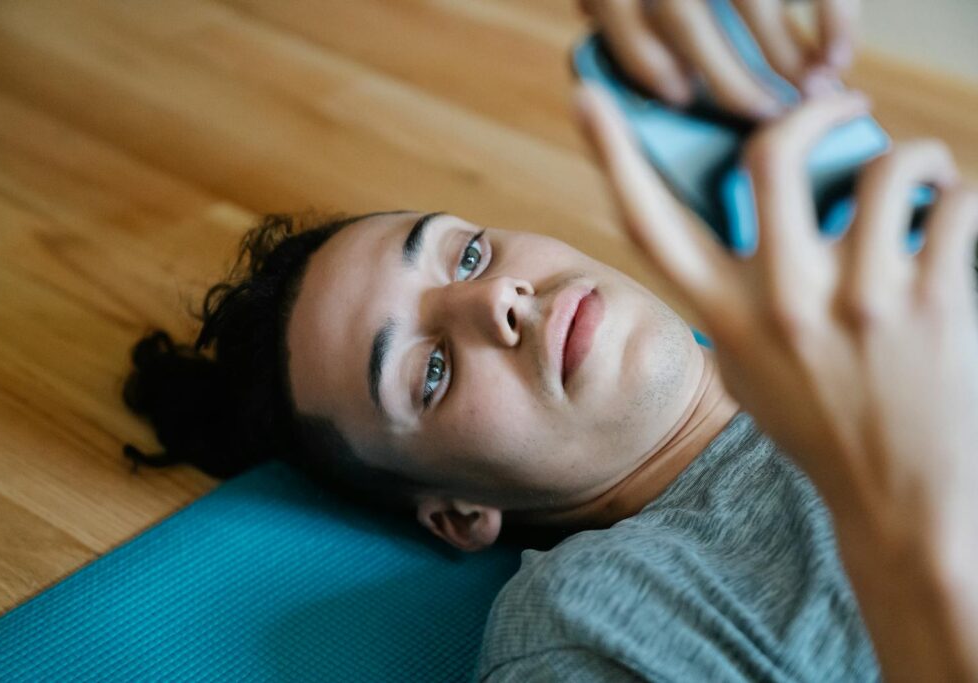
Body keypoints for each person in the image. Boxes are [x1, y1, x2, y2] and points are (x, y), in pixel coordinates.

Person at [122, 0, 978, 680]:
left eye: (467, 252)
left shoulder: (880, 306)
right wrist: (907, 531)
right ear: (460, 513)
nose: (496, 298)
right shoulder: (587, 628)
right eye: (430, 371)